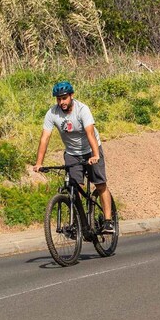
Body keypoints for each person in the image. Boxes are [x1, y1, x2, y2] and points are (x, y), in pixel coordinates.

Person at [33, 81, 114, 233]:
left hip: (91, 149)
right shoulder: (52, 113)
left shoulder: (82, 110)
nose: (61, 102)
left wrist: (95, 154)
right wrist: (39, 163)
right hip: (71, 153)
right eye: (58, 99)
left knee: (100, 183)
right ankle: (77, 222)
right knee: (74, 187)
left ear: (71, 96)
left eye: (64, 98)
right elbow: (45, 138)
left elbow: (90, 133)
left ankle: (108, 220)